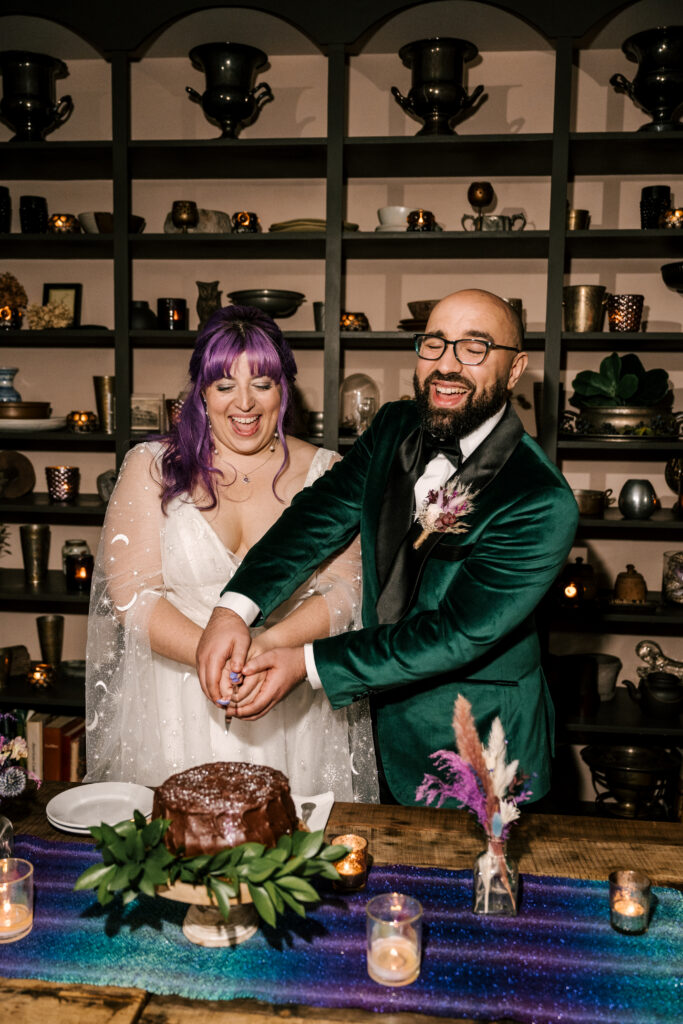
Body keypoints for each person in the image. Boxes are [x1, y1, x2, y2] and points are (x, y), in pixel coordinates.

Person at [196, 288, 579, 806]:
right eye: (434, 344)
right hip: (376, 736)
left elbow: (455, 633)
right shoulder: (395, 425)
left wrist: (305, 664)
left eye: (474, 348)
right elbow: (319, 514)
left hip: (484, 756)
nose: (447, 364)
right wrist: (233, 608)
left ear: (515, 370)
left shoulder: (540, 500)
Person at [84, 304, 378, 801]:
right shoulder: (151, 466)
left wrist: (265, 652)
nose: (245, 403)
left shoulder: (330, 471)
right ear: (201, 392)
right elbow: (130, 594)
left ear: (283, 388)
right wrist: (209, 654)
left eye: (262, 383)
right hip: (176, 705)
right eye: (225, 385)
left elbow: (346, 590)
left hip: (291, 703)